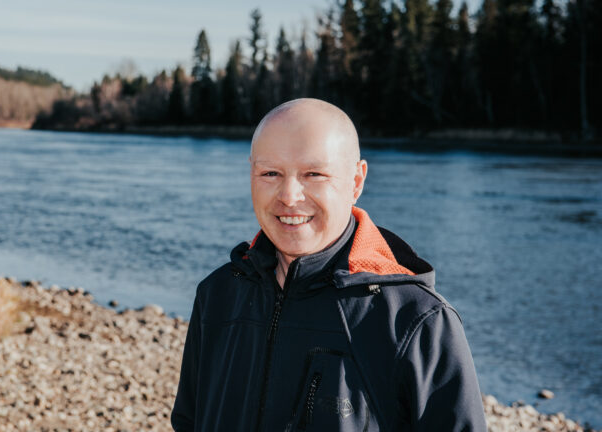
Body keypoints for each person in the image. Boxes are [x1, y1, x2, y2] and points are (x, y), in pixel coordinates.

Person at [171, 98, 487, 431]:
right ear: (251, 172)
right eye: (270, 173)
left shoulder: (415, 321)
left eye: (314, 174)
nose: (289, 196)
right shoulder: (217, 295)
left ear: (356, 181)